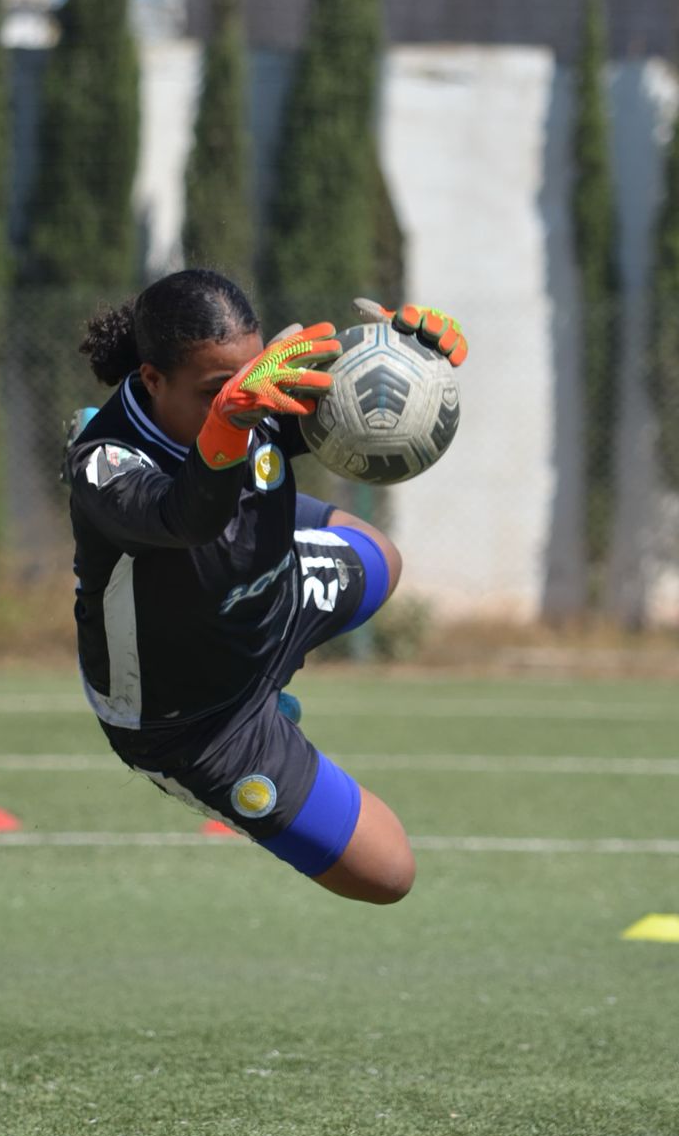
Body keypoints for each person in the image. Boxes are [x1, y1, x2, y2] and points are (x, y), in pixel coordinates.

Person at [65, 268, 467, 905]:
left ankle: (273, 653)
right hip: (194, 718)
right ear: (153, 380)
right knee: (388, 874)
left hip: (268, 601)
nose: (248, 395)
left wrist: (404, 359)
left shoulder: (250, 383)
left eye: (253, 375)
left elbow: (344, 405)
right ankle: (254, 712)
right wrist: (231, 417)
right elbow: (188, 519)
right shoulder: (105, 465)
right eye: (217, 392)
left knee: (381, 558)